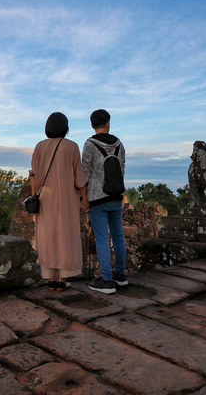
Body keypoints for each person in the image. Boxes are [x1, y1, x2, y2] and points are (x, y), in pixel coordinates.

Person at [30, 112, 89, 291]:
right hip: (66, 199)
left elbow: (33, 175)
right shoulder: (71, 147)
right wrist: (85, 200)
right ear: (65, 127)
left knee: (47, 237)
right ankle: (62, 279)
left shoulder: (39, 146)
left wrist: (34, 198)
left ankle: (50, 279)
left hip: (45, 199)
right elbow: (79, 178)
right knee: (65, 237)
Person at [82, 109, 127, 294]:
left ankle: (107, 280)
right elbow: (122, 168)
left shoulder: (90, 144)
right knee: (118, 236)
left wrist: (83, 197)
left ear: (92, 125)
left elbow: (85, 171)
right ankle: (121, 275)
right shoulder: (119, 144)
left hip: (98, 197)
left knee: (102, 238)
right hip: (116, 195)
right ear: (108, 123)